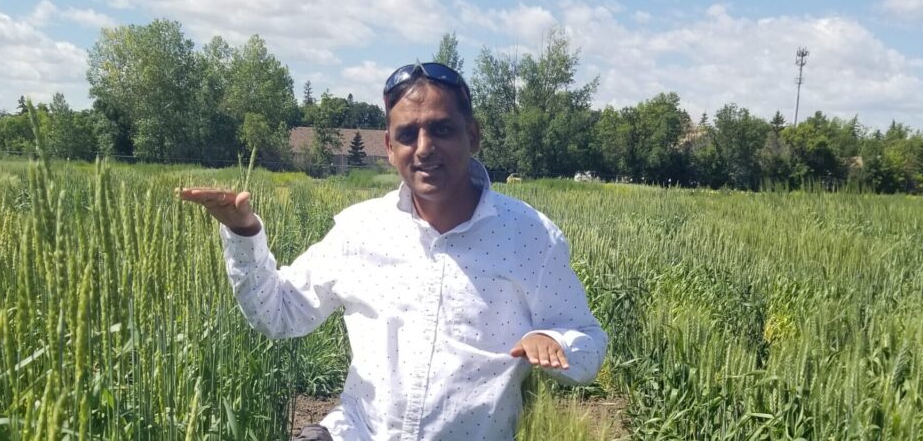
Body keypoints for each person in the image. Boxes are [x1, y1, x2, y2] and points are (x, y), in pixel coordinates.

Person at [179, 62, 607, 441]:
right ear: (389, 147)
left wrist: (552, 340)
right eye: (407, 134)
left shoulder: (531, 236)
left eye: (441, 128)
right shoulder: (360, 230)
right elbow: (280, 314)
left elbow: (588, 341)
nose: (424, 147)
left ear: (472, 135)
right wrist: (243, 232)